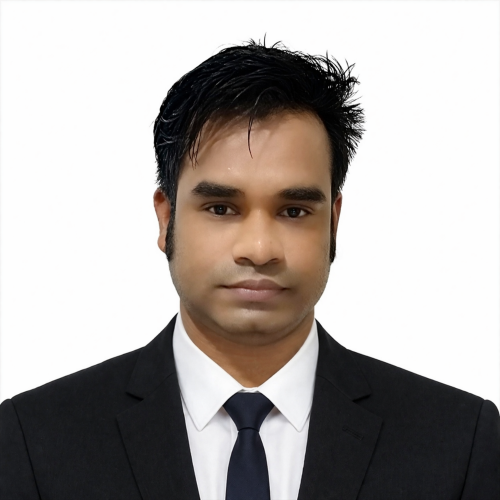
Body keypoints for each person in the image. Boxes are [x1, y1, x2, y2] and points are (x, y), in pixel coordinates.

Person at [0, 39, 498, 500]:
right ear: (166, 219)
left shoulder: (460, 441)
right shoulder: (34, 439)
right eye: (221, 208)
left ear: (333, 223)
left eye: (294, 211)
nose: (259, 250)